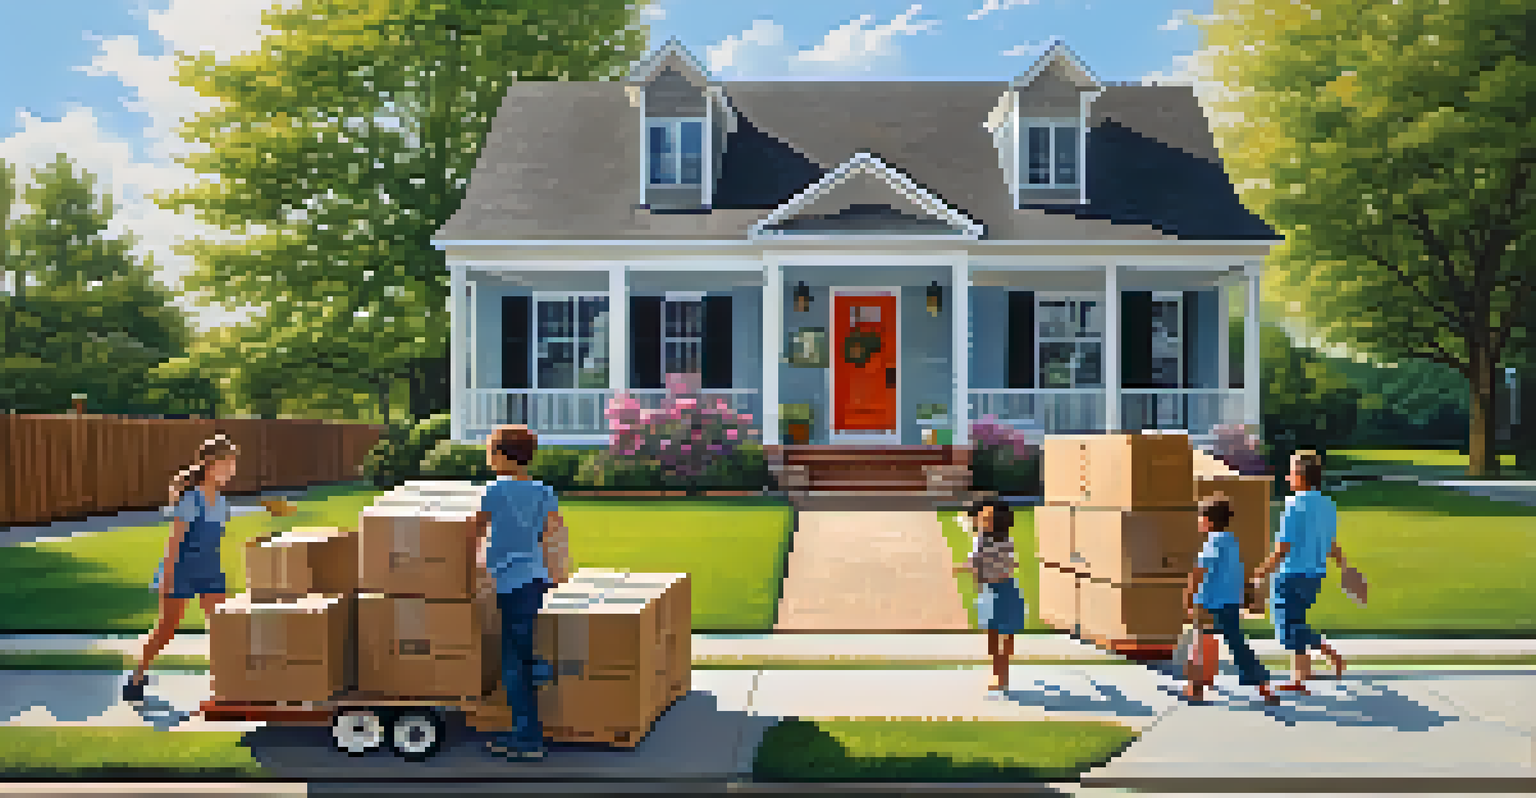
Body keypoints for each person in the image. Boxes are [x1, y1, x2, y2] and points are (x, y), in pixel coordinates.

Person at [476, 425, 572, 761]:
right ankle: (539, 674)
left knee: (514, 663)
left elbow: (474, 532)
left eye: (491, 452)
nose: (489, 459)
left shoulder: (493, 491)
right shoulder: (544, 491)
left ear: (502, 455)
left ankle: (527, 738)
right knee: (524, 647)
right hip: (535, 577)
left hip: (509, 582)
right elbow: (554, 534)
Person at [125, 433, 240, 702]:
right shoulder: (192, 499)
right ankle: (137, 675)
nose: (231, 470)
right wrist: (167, 576)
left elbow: (216, 540)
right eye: (227, 464)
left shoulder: (222, 502)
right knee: (167, 628)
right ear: (210, 466)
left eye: (233, 464)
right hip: (181, 570)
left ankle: (223, 685)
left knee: (222, 627)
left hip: (211, 570)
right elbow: (174, 540)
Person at [1250, 450, 1349, 691]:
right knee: (1297, 621)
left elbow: (1283, 547)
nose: (1287, 477)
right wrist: (1344, 566)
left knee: (1286, 625)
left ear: (1301, 476)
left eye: (1291, 472)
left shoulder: (1293, 504)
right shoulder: (1328, 504)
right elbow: (1330, 543)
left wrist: (1260, 572)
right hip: (1315, 574)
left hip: (1291, 574)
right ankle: (1301, 677)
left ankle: (1328, 652)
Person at [1183, 493, 1277, 705]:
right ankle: (1263, 685)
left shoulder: (1212, 543)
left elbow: (1198, 573)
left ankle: (1195, 688)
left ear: (1208, 520)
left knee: (1199, 645)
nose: (1198, 521)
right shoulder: (1232, 542)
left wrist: (1188, 598)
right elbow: (1237, 573)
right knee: (1236, 644)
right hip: (1230, 603)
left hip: (1209, 603)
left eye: (1200, 517)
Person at [954, 499, 1027, 692]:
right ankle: (1001, 672)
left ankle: (1000, 674)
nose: (979, 518)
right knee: (1002, 635)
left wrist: (964, 568)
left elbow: (978, 564)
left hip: (994, 591)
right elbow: (1005, 564)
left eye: (985, 517)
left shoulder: (983, 541)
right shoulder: (1005, 540)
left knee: (995, 636)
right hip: (1005, 589)